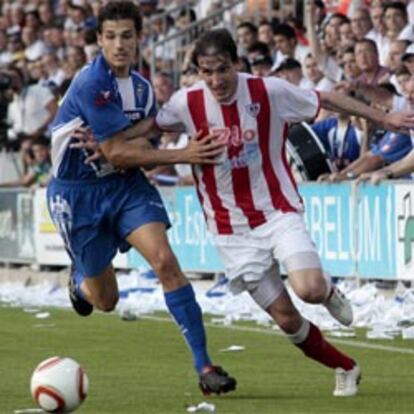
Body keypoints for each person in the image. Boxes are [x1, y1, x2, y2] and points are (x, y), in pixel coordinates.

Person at [152, 28, 414, 397]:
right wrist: (107, 143)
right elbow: (147, 128)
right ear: (197, 70)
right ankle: (346, 367)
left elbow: (327, 98)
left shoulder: (267, 91)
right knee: (287, 319)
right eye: (206, 71)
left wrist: (382, 118)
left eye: (222, 69)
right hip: (231, 231)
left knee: (308, 289)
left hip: (276, 211)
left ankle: (325, 290)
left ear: (237, 64)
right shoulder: (185, 103)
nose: (216, 80)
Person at [47, 2, 236, 396]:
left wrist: (120, 145)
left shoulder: (143, 88)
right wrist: (182, 154)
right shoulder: (89, 83)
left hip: (125, 186)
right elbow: (118, 150)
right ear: (99, 40)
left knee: (165, 261)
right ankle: (79, 282)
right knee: (106, 300)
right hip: (77, 194)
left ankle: (205, 366)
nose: (119, 45)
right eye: (111, 36)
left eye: (127, 36)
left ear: (139, 38)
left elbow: (139, 141)